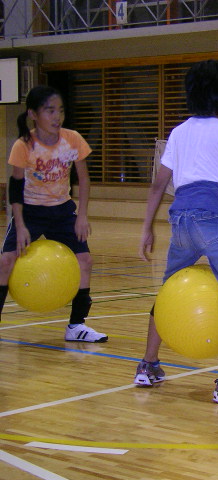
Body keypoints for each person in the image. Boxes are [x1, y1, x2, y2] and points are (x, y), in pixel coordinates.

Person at [134, 59, 218, 404]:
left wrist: (147, 228)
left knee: (169, 292)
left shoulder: (179, 132)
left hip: (180, 220)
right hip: (215, 221)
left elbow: (158, 185)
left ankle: (148, 366)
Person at [0, 86, 107, 342]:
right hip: (31, 211)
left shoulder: (72, 139)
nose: (57, 116)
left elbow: (83, 178)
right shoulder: (23, 145)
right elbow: (15, 188)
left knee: (85, 261)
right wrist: (21, 225)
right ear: (33, 114)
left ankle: (76, 326)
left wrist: (82, 215)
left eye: (60, 110)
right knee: (5, 262)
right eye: (50, 111)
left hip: (62, 210)